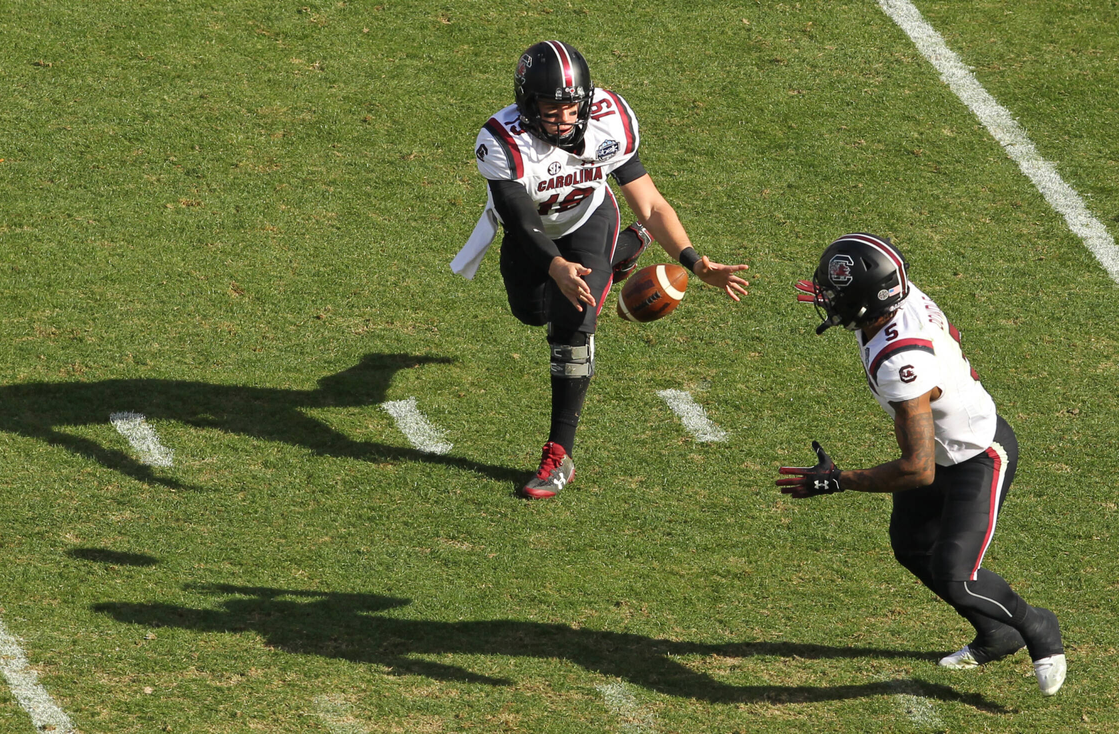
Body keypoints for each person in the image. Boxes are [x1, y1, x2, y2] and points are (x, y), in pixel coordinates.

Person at [450, 40, 749, 498]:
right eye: (551, 107)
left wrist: (692, 258)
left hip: (590, 217)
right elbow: (522, 219)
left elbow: (649, 202)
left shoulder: (610, 121)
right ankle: (626, 251)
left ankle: (558, 455)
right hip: (535, 232)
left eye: (572, 107)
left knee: (572, 329)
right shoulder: (501, 141)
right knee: (532, 312)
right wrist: (555, 266)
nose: (564, 119)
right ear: (527, 103)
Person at [776, 233, 1066, 695]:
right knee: (911, 546)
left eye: (836, 296)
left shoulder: (902, 361)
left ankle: (1037, 627)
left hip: (977, 453)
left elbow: (918, 469)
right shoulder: (894, 297)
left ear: (870, 303)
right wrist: (845, 289)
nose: (826, 301)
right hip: (944, 446)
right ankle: (997, 634)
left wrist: (839, 482)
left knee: (958, 575)